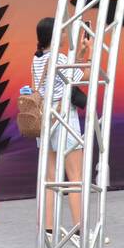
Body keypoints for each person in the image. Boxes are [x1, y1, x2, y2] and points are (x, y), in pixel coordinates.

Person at [33, 17, 89, 229]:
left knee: (49, 179)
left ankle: (48, 229)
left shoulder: (37, 59)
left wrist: (80, 55)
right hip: (64, 118)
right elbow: (83, 76)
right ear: (55, 35)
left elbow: (69, 74)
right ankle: (80, 229)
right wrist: (89, 53)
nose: (65, 35)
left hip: (45, 119)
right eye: (62, 31)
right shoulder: (61, 58)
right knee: (76, 177)